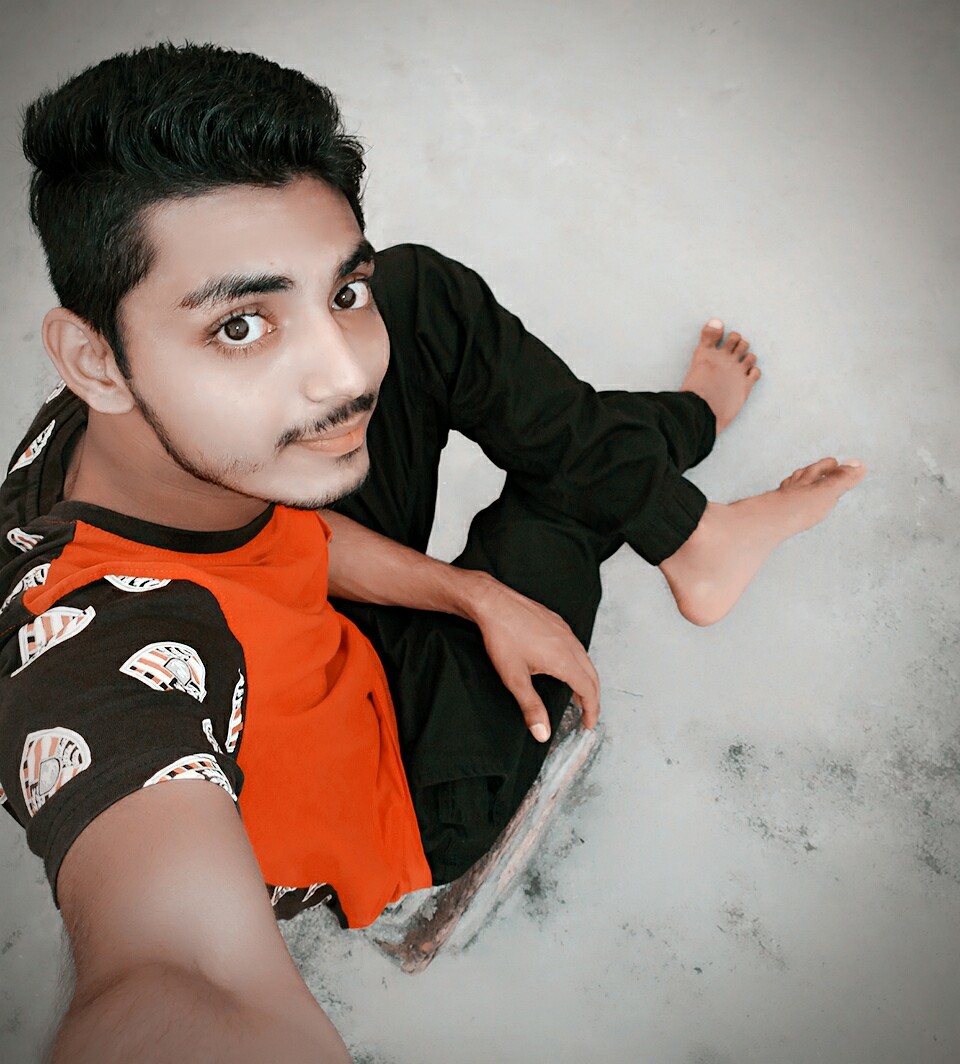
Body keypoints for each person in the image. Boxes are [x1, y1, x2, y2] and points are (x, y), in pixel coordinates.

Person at [0, 42, 866, 1062]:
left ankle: (687, 522)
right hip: (405, 785)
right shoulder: (92, 655)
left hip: (331, 637)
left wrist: (468, 593)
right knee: (558, 498)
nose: (344, 376)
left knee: (419, 297)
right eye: (240, 326)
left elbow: (274, 534)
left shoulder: (113, 436)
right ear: (93, 357)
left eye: (340, 292)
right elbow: (182, 970)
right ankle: (685, 485)